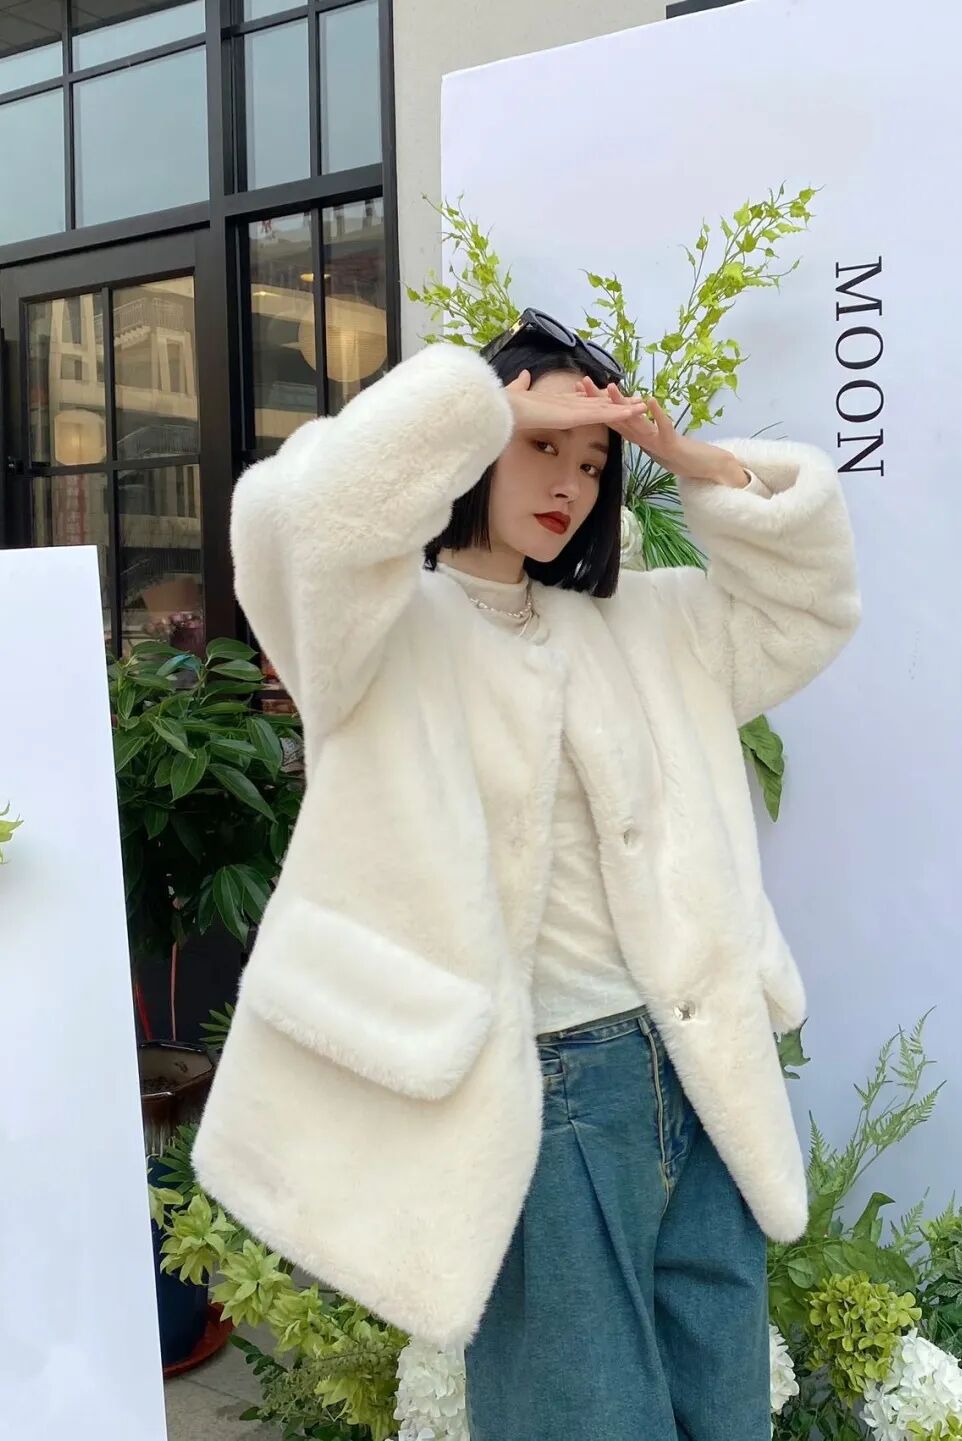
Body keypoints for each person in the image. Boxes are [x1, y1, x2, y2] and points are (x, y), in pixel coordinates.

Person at [193, 312, 861, 1440]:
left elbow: (807, 607)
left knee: (727, 1415)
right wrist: (481, 401)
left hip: (698, 1068)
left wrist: (697, 464)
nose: (569, 482)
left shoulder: (649, 623)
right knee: (583, 1420)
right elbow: (291, 522)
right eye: (541, 445)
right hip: (547, 1096)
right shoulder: (373, 633)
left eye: (592, 462)